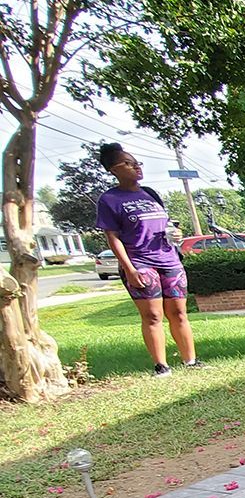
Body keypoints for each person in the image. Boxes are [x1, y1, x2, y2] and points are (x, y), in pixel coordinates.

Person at [95, 143, 199, 376]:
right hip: (140, 262)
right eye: (128, 164)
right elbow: (112, 237)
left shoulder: (150, 194)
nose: (136, 168)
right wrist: (129, 269)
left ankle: (190, 361)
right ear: (113, 169)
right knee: (153, 315)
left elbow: (166, 225)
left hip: (169, 259)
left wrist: (177, 235)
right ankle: (161, 366)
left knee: (179, 313)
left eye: (137, 163)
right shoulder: (110, 199)